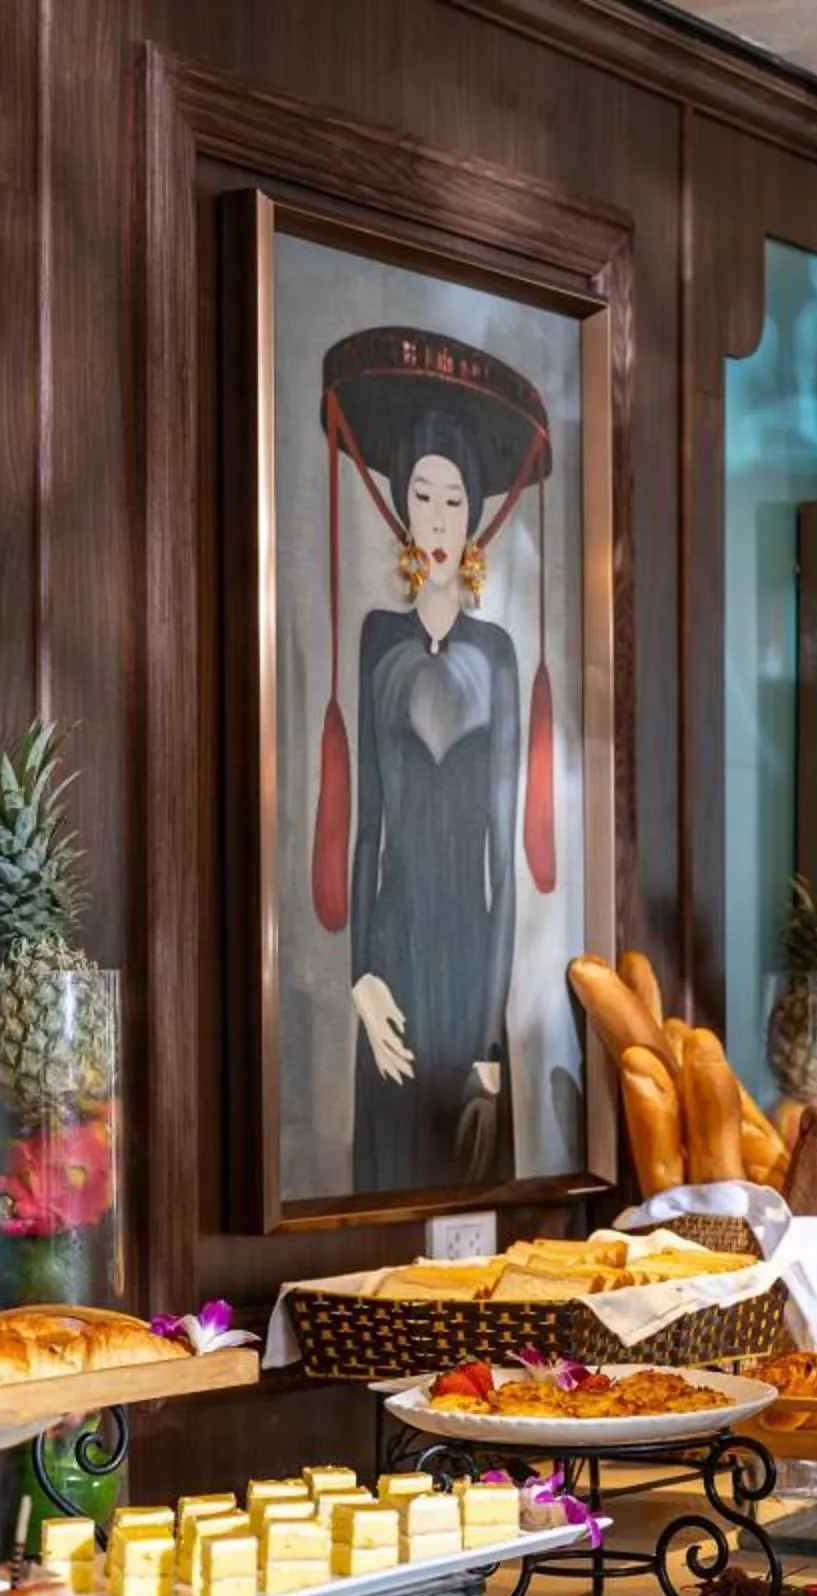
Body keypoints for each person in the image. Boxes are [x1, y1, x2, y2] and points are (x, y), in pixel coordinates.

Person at [347, 408, 523, 1193]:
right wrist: (361, 974)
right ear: (400, 506)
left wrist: (488, 1046)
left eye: (455, 499)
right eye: (422, 496)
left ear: (476, 511)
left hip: (469, 966)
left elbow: (505, 863)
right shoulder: (378, 638)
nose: (439, 518)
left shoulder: (499, 653)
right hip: (392, 961)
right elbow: (367, 830)